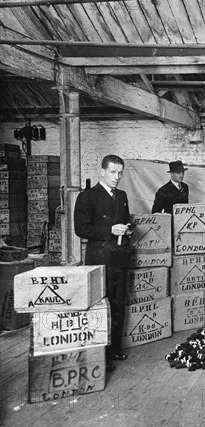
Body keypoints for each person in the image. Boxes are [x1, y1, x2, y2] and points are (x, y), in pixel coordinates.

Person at [74, 155, 132, 373]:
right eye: (113, 172)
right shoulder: (87, 197)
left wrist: (127, 229)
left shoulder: (123, 196)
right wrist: (109, 230)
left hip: (119, 258)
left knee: (118, 306)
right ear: (102, 172)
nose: (117, 177)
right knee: (101, 308)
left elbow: (124, 221)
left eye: (120, 173)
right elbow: (81, 229)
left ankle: (114, 349)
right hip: (99, 260)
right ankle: (101, 355)